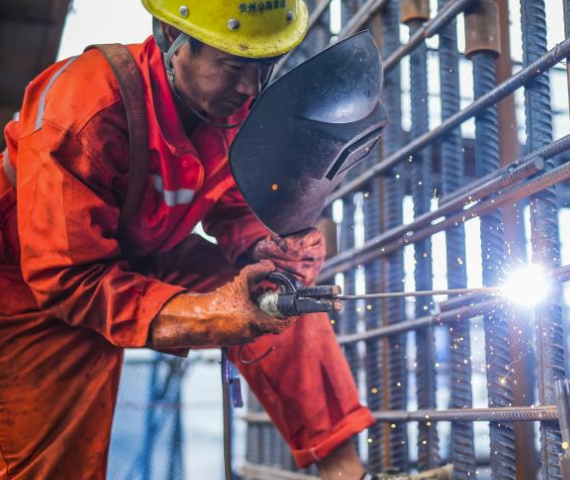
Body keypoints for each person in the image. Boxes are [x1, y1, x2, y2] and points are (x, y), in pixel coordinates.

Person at [0, 1, 376, 478]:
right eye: (234, 65)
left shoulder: (227, 106)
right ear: (171, 36)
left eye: (263, 67)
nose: (249, 88)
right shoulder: (84, 111)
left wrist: (264, 244)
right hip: (36, 282)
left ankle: (348, 471)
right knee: (55, 464)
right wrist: (205, 315)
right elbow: (68, 278)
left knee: (278, 295)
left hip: (146, 248)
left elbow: (233, 205)